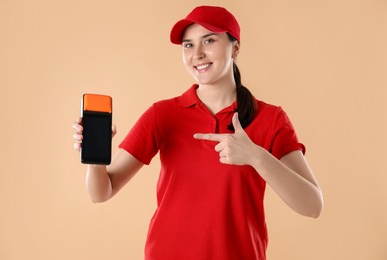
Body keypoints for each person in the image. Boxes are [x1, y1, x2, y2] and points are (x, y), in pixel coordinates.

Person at [72, 5, 323, 260]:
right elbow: (101, 192)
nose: (198, 54)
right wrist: (95, 160)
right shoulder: (163, 114)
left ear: (235, 48)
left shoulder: (270, 119)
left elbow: (313, 205)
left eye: (209, 40)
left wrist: (256, 156)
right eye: (188, 45)